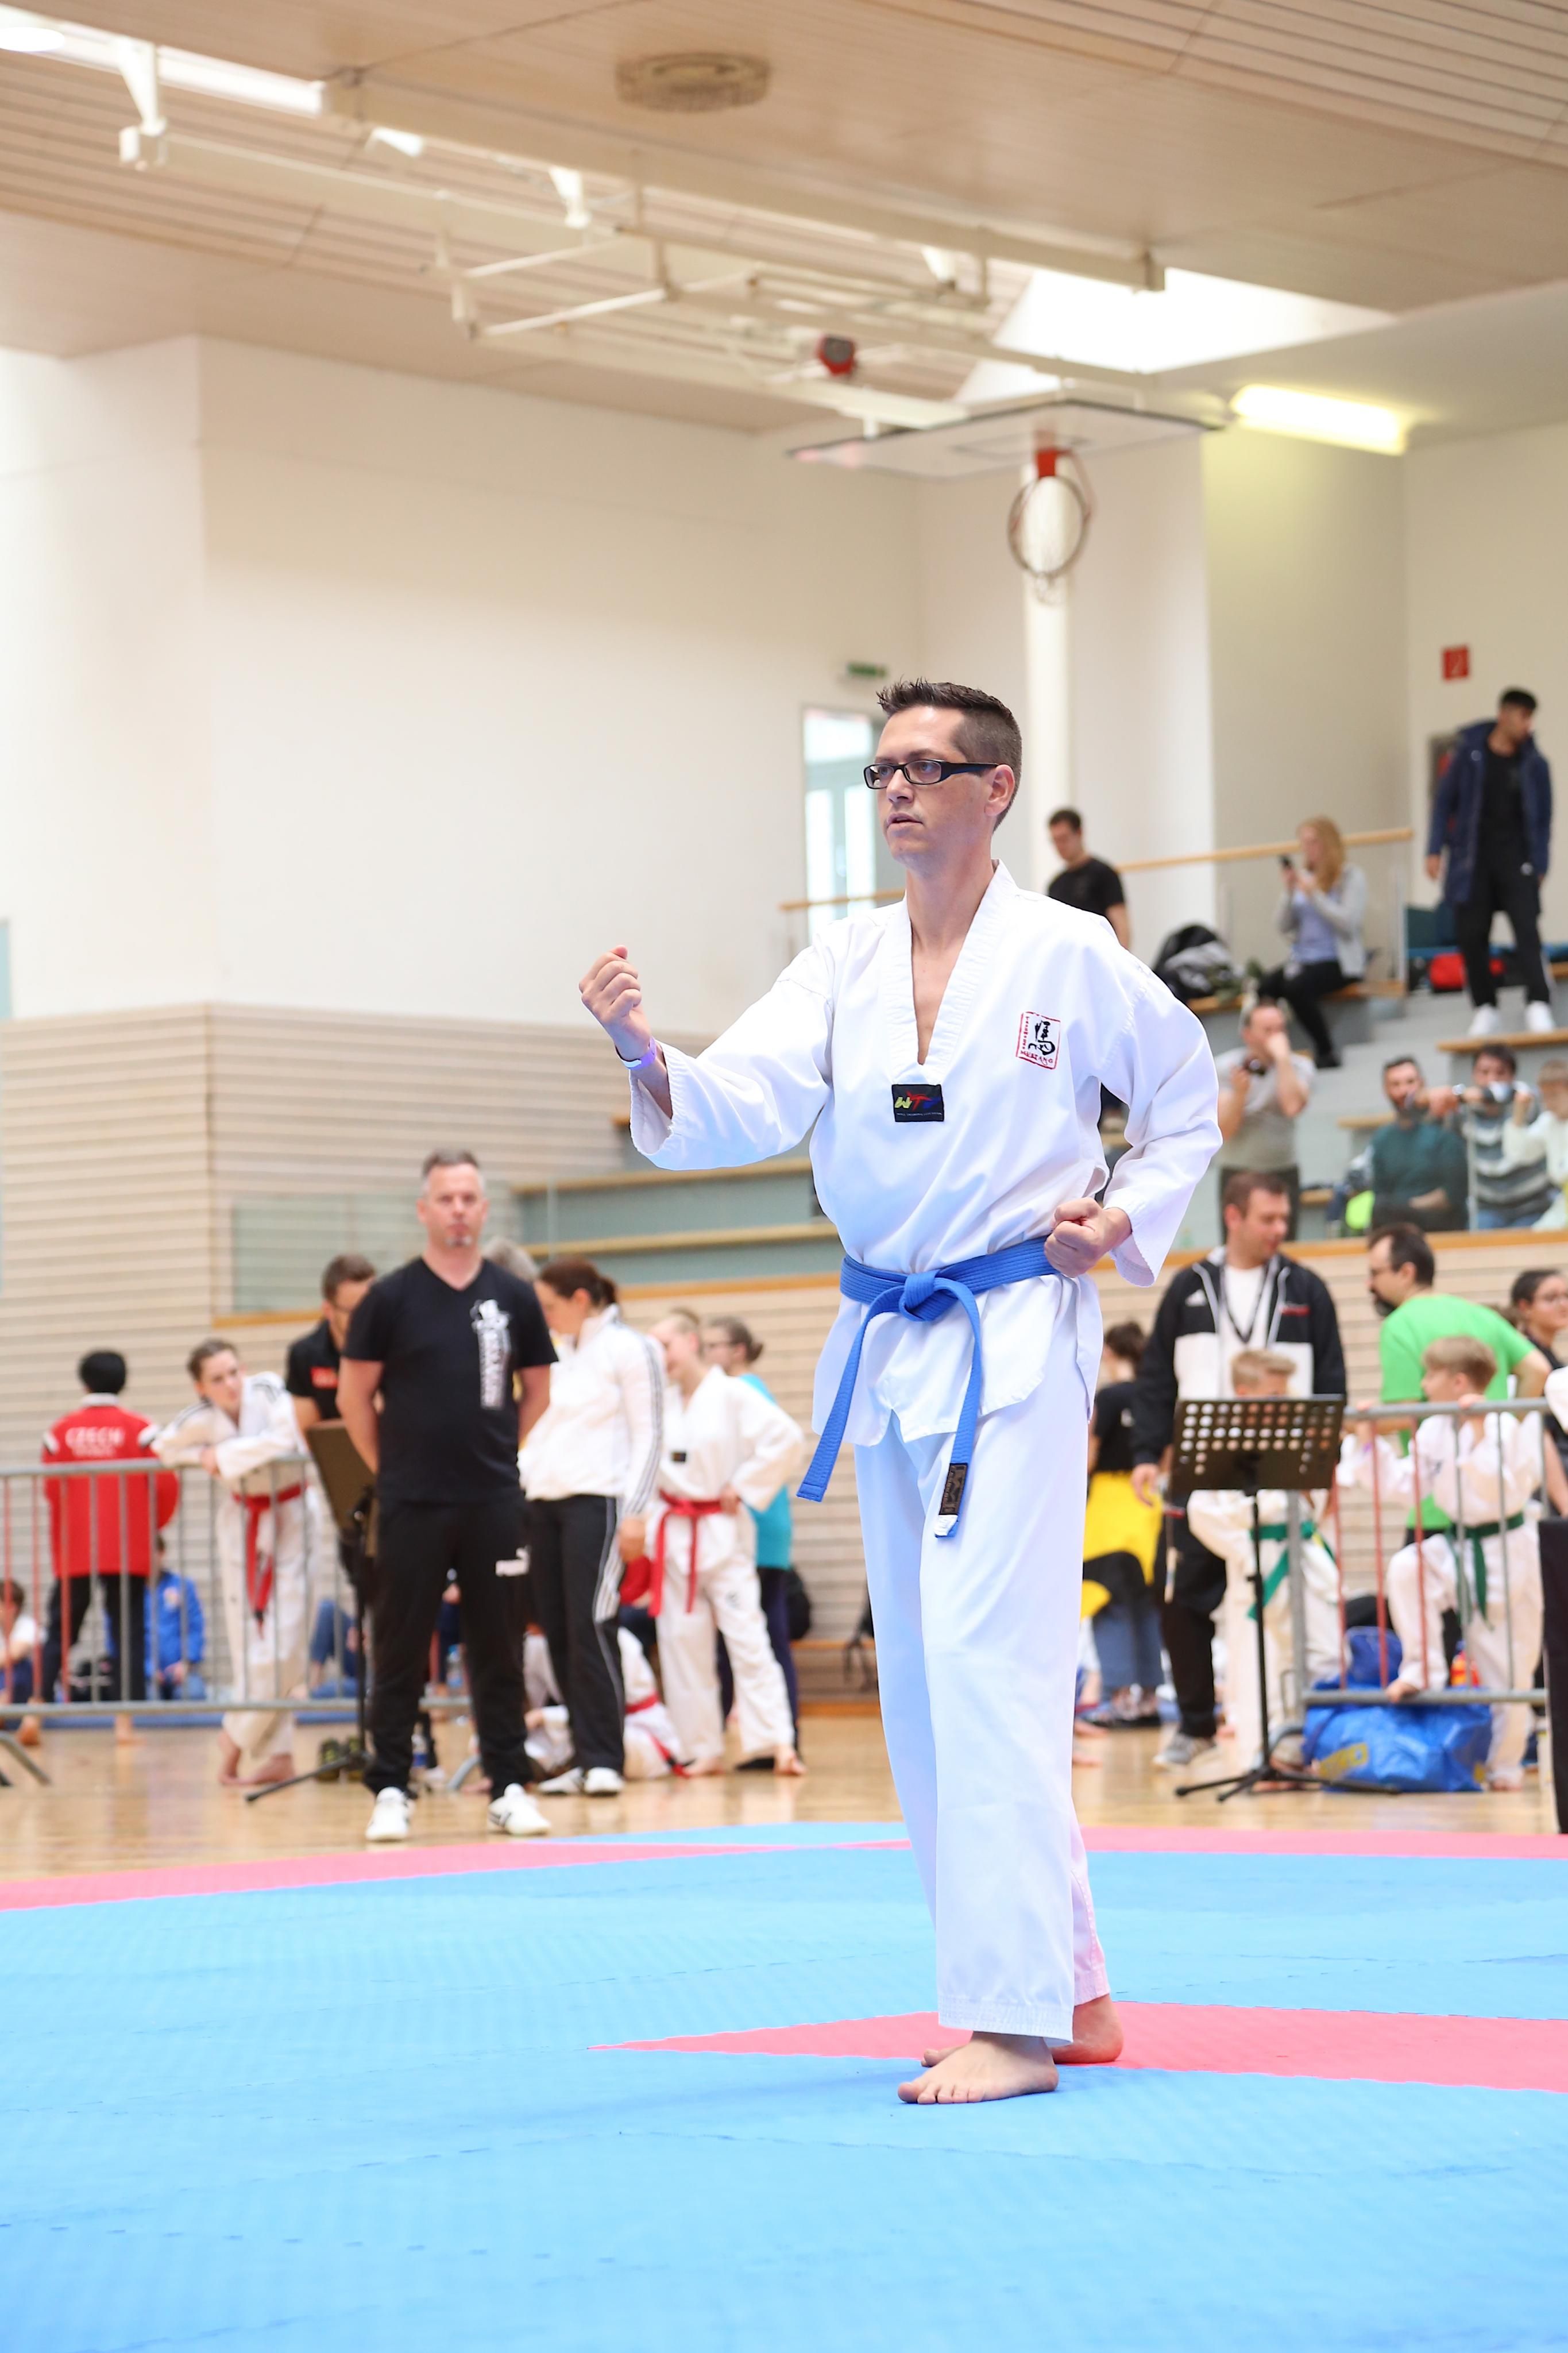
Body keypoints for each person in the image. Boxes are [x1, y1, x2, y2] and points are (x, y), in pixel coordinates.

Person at [581, 674, 1219, 2105]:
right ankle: (1071, 1987)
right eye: (880, 771)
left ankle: (1012, 2022)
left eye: (925, 768)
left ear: (996, 790)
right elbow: (740, 1100)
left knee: (993, 1662)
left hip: (1014, 1329)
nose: (896, 792)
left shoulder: (1069, 955)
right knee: (931, 1677)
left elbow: (1187, 1099)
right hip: (886, 1338)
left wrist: (1121, 1214)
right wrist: (641, 1051)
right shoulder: (844, 964)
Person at [339, 1150, 556, 1844]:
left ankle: (509, 1784)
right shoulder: (389, 1298)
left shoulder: (514, 1296)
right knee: (400, 1646)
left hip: (493, 1499)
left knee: (499, 1648)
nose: (458, 1209)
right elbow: (353, 1396)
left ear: (483, 1209)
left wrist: (498, 1454)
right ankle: (391, 1787)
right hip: (411, 1503)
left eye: (469, 1197)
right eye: (446, 1198)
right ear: (424, 1210)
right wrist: (393, 1468)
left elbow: (538, 1390)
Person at [1131, 1170, 1345, 1769]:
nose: (1281, 1228)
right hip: (1203, 1465)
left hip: (1283, 1468)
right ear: (1233, 1216)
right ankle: (1197, 1725)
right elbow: (1156, 1377)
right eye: (1268, 1218)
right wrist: (1147, 1453)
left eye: (1285, 1218)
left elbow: (1332, 1380)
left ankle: (1293, 1731)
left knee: (1285, 1599)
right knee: (1182, 1597)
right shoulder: (1190, 1286)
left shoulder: (1306, 1287)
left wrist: (1325, 1460)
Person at [1341, 1336, 1543, 1787]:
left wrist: (1478, 1432)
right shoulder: (1434, 1428)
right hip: (1457, 1543)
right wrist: (1368, 1441)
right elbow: (1405, 1486)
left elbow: (1499, 1490)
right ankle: (1424, 1668)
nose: (1424, 1384)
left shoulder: (1505, 1425)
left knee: (1507, 1668)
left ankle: (1505, 1766)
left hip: (1507, 1549)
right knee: (1408, 1567)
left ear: (1458, 1382)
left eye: (1430, 1375)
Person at [618, 1309, 804, 1777]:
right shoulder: (656, 1404)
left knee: (749, 1640)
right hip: (673, 1537)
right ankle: (701, 1747)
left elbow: (785, 1439)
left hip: (722, 1533)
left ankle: (777, 1742)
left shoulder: (734, 1394)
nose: (660, 1356)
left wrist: (744, 1485)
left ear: (692, 1341)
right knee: (682, 1645)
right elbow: (638, 1466)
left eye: (666, 1345)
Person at [521, 1253, 663, 1799]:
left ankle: (606, 1756)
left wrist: (636, 1512)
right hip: (545, 1503)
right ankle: (582, 1756)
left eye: (550, 1306)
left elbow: (650, 1434)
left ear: (580, 1300)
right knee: (556, 1630)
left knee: (592, 1625)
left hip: (599, 1504)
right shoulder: (557, 1352)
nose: (544, 1316)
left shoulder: (630, 1348)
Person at [152, 1341, 319, 1786]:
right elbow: (163, 1447)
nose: (230, 1384)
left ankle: (234, 1735)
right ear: (201, 1387)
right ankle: (279, 1753)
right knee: (249, 1641)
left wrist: (221, 1457)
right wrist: (198, 1456)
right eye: (217, 1379)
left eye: (233, 1372)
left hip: (293, 1513)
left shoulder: (269, 1390)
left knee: (287, 1641)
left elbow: (285, 1440)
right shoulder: (202, 1417)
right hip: (242, 1519)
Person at [1185, 1348, 1341, 1768]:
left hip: (1303, 1558)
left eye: (1285, 1395)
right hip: (1254, 1564)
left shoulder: (1297, 1438)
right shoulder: (1222, 1445)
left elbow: (1315, 1503)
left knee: (1323, 1654)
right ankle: (1263, 1756)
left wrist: (1301, 1499)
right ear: (1244, 1394)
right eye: (1274, 1395)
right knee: (1258, 1664)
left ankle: (1311, 1746)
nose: (1283, 1404)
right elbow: (1202, 1514)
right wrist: (1247, 1547)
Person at [40, 1351, 179, 1714]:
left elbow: (51, 1490)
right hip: (128, 1548)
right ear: (123, 1382)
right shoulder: (142, 1430)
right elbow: (166, 1486)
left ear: (84, 1383)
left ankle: (36, 1708)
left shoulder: (60, 1432)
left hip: (76, 1549)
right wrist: (148, 1526)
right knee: (128, 1632)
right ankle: (128, 1716)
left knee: (61, 1629)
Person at [1427, 687, 1555, 1038]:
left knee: (1527, 931)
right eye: (1523, 717)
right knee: (1472, 935)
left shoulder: (1534, 763)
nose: (1528, 725)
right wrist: (1434, 849)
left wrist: (1541, 863)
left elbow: (1544, 819)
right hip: (1472, 863)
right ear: (1504, 715)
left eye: (1531, 718)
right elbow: (1444, 803)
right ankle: (1485, 1007)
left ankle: (1538, 1003)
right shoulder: (1468, 754)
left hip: (1517, 860)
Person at [701, 1314, 802, 1745]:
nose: (706, 1354)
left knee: (763, 1639)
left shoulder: (742, 1391)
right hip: (758, 1528)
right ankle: (768, 1738)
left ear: (737, 1350)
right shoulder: (736, 1392)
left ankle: (781, 1739)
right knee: (747, 1639)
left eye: (713, 1346)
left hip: (755, 1529)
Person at [1080, 1322, 1163, 1728]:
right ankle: (1149, 1698)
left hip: (1111, 1506)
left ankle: (1117, 1697)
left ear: (1111, 1352)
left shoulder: (1109, 1398)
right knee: (1147, 1603)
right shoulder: (1157, 1395)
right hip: (1149, 1504)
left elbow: (1089, 1457)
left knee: (1107, 1600)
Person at [1259, 817, 1366, 1070]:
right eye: (1304, 843)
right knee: (1266, 986)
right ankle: (1270, 1049)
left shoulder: (1350, 877)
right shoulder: (1303, 879)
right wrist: (1289, 892)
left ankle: (1325, 1049)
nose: (1307, 849)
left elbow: (1349, 922)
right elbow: (1282, 926)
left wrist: (1315, 896)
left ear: (1329, 843)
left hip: (1337, 962)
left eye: (1313, 842)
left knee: (1296, 987)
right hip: (1304, 959)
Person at [1427, 1046, 1553, 1231]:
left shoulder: (1526, 1101)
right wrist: (1442, 1104)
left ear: (1512, 1077)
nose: (1491, 1080)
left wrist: (1464, 1094)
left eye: (1500, 1073)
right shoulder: (1464, 1112)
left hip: (1533, 1207)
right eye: (1484, 1073)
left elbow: (1520, 1091)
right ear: (1473, 1076)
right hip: (1487, 1209)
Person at [1215, 1001, 1312, 1236]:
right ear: (1248, 1034)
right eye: (1268, 1030)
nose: (1276, 1036)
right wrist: (1240, 1094)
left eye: (1281, 1029)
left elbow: (1292, 1107)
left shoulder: (1300, 1066)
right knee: (1237, 1244)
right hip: (1238, 1172)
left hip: (1283, 1171)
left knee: (1283, 1241)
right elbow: (1224, 1130)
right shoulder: (1225, 1068)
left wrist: (1283, 1060)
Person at [1364, 1056, 1469, 1233]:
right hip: (1397, 1229)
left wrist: (1407, 1207)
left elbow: (1453, 1194)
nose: (1404, 1091)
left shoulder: (1445, 1128)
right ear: (1386, 1090)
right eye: (1395, 1084)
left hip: (1442, 1224)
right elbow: (1380, 1195)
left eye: (1410, 1082)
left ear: (1422, 1084)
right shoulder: (1382, 1139)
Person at [285, 1254, 377, 1433]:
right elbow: (312, 1435)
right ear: (329, 1310)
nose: (367, 1318)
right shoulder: (304, 1355)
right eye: (355, 1311)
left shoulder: (393, 1348)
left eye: (372, 1308)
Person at [1045, 807, 1129, 949]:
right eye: (1055, 841)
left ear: (1079, 833)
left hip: (1101, 954)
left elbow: (1122, 927)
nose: (1060, 846)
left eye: (1064, 839)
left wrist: (1121, 957)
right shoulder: (1056, 885)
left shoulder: (1104, 874)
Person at [1500, 1057, 1568, 1229]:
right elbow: (1520, 1153)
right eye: (1545, 1097)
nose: (1549, 1103)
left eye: (1554, 1095)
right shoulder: (1548, 1122)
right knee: (1538, 1236)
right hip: (1564, 1207)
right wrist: (1519, 1114)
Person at [145, 1542, 206, 1702]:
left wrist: (186, 1662)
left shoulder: (182, 1586)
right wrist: (147, 1669)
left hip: (181, 1670)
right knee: (148, 1699)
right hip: (144, 1673)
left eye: (153, 1551)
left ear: (162, 1553)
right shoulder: (129, 1591)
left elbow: (195, 1628)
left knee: (194, 1694)